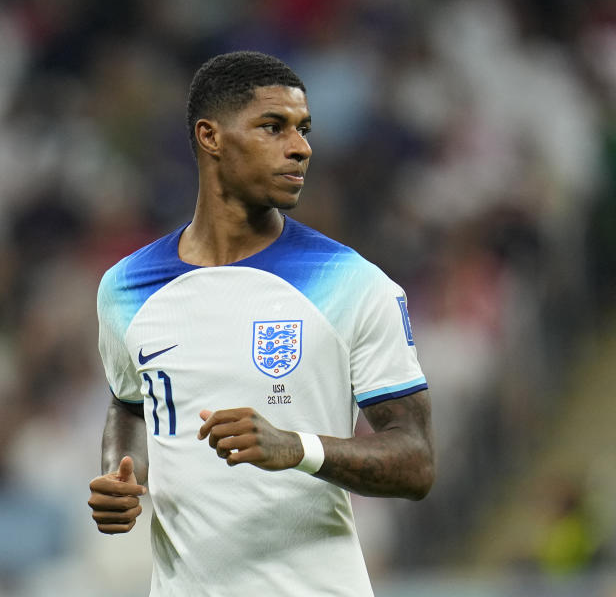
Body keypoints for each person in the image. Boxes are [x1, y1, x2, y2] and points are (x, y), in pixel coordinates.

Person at [88, 50, 434, 596]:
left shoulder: (352, 284)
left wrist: (299, 449)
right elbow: (129, 401)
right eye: (273, 127)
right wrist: (121, 473)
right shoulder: (127, 288)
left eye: (304, 129)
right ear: (210, 137)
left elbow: (415, 461)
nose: (300, 147)